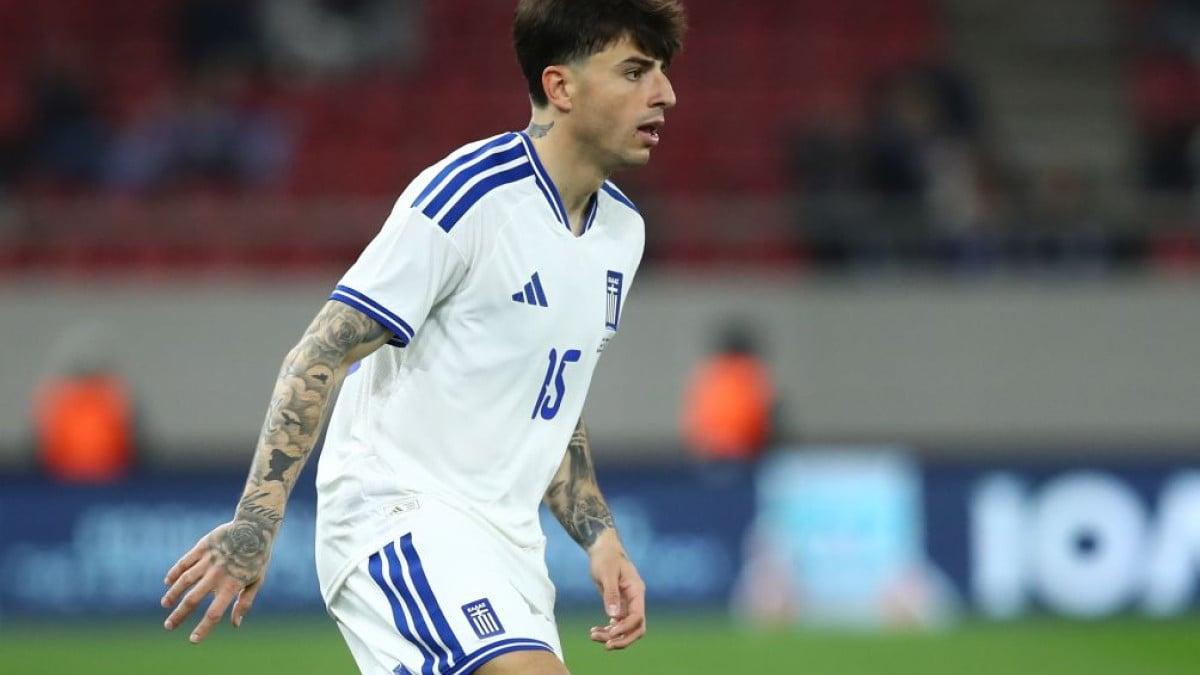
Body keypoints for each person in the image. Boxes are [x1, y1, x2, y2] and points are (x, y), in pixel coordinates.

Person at [159, 2, 684, 674]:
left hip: (509, 543)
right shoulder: (468, 197)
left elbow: (547, 396)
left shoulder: (622, 233)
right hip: (398, 511)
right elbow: (321, 351)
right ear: (561, 86)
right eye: (635, 71)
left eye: (661, 71)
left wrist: (600, 537)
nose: (665, 93)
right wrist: (257, 522)